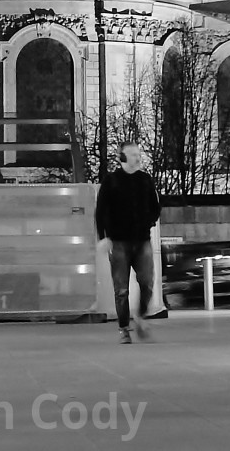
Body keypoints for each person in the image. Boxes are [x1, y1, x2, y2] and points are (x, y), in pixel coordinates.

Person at [95, 142, 161, 343]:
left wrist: (148, 221)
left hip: (142, 240)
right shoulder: (111, 181)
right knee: (121, 288)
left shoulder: (145, 180)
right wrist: (103, 237)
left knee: (147, 282)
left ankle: (140, 315)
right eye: (132, 155)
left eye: (138, 154)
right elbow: (101, 211)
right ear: (122, 158)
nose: (137, 158)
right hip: (119, 241)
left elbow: (156, 206)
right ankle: (124, 327)